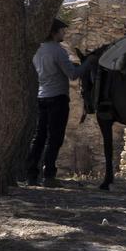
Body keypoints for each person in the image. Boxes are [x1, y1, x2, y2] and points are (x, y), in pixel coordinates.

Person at [26, 18, 82, 186]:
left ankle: (31, 174)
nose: (64, 33)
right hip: (58, 97)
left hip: (42, 96)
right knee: (55, 138)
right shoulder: (58, 50)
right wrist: (88, 65)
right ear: (53, 33)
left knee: (39, 137)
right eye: (61, 31)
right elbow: (72, 74)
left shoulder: (37, 50)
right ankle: (49, 175)